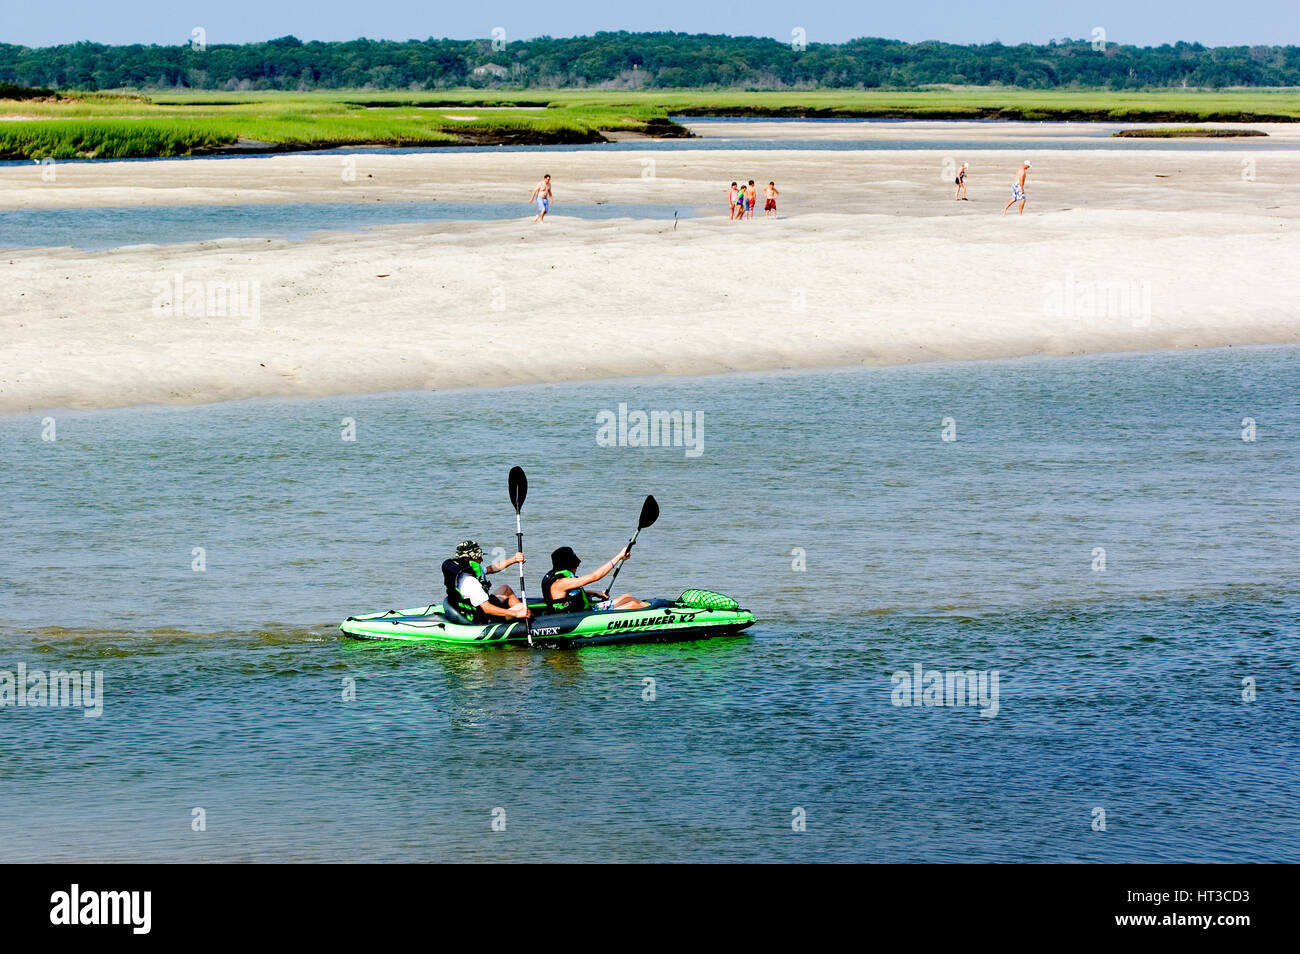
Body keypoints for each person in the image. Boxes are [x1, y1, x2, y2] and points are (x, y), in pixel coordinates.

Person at [540, 546, 648, 613]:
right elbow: (595, 576)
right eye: (575, 565)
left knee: (627, 597)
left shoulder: (565, 579)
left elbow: (571, 595)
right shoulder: (561, 582)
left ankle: (656, 609)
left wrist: (595, 592)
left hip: (587, 610)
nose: (577, 567)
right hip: (581, 617)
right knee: (633, 606)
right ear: (568, 565)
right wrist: (619, 557)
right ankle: (657, 617)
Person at [441, 540, 529, 622]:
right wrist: (516, 613)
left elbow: (492, 568)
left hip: (473, 606)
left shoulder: (466, 570)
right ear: (467, 559)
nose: (481, 560)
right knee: (524, 609)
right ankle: (520, 620)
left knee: (505, 589)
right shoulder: (469, 581)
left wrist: (514, 560)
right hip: (480, 615)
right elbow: (487, 608)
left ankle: (518, 616)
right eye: (478, 557)